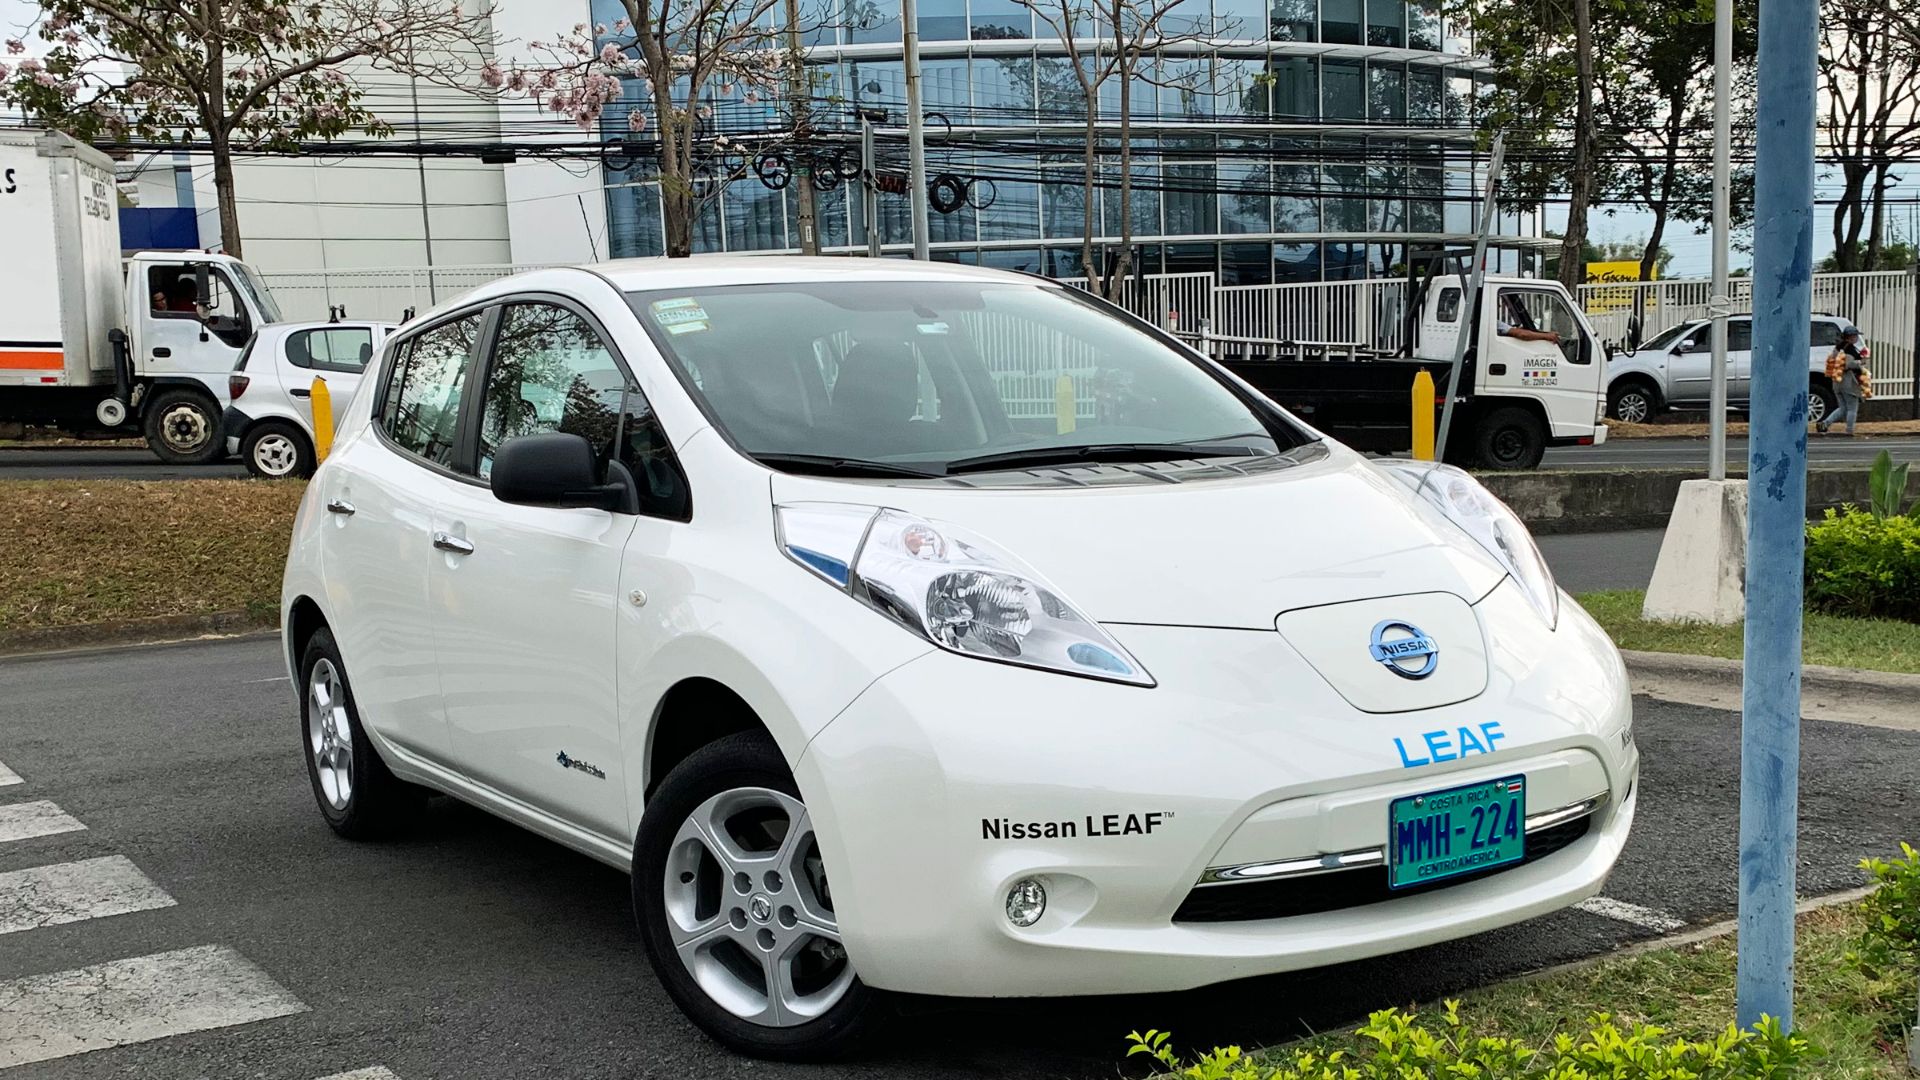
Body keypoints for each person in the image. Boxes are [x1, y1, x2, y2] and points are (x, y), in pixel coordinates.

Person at [1817, 325, 1867, 436]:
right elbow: (1848, 364)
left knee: (1843, 408)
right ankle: (1849, 430)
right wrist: (1861, 362)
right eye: (1855, 336)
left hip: (1837, 381)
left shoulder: (1838, 348)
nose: (1856, 338)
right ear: (1851, 337)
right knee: (1852, 408)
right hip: (1849, 382)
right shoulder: (1849, 349)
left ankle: (1825, 423)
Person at [1496, 295, 1561, 345]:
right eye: (1496, 303)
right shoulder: (1495, 323)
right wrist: (1546, 336)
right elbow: (1523, 335)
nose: (1499, 306)